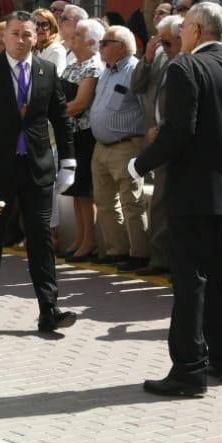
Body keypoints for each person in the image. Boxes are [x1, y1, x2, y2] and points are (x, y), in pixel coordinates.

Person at [131, 1, 222, 396]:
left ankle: (189, 369)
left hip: (192, 193)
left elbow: (178, 132)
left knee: (190, 281)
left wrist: (139, 166)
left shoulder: (184, 67)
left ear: (193, 30)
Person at [0, 10, 78, 333]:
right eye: (14, 33)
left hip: (37, 167)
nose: (20, 40)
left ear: (36, 37)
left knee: (40, 236)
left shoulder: (46, 70)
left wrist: (68, 160)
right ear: (5, 36)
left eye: (27, 34)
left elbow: (60, 118)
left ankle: (49, 308)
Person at [89, 26, 150, 269]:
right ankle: (117, 251)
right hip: (101, 147)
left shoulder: (135, 71)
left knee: (131, 202)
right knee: (104, 202)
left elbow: (147, 108)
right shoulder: (106, 71)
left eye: (105, 42)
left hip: (126, 146)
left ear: (122, 46)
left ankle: (139, 254)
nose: (100, 46)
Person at [134, 14, 182, 274]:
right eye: (160, 41)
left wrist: (163, 130)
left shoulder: (189, 61)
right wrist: (148, 57)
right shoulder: (161, 57)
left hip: (174, 140)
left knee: (169, 201)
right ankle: (160, 257)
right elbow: (137, 85)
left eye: (167, 42)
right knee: (160, 201)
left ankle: (168, 259)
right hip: (157, 141)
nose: (163, 46)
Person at [60, 19, 105, 261]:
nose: (72, 37)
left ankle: (90, 240)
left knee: (86, 190)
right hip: (71, 133)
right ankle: (79, 236)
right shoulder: (72, 64)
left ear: (91, 42)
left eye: (78, 35)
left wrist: (53, 113)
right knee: (76, 190)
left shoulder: (93, 67)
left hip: (85, 135)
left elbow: (80, 104)